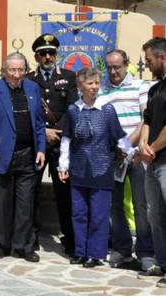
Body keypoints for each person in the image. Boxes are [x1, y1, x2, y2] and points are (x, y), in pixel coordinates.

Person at [0, 52, 46, 262]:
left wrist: (41, 148)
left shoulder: (33, 88)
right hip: (2, 154)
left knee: (25, 204)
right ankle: (1, 244)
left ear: (25, 70)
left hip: (27, 154)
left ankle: (23, 245)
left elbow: (39, 123)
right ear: (4, 70)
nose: (16, 74)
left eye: (21, 70)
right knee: (2, 203)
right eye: (12, 70)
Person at [58, 68, 132, 268]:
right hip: (79, 169)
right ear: (80, 86)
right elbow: (66, 138)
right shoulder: (73, 110)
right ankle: (80, 251)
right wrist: (63, 165)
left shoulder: (107, 110)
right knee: (79, 213)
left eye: (97, 83)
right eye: (90, 84)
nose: (94, 87)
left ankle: (95, 253)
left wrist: (131, 152)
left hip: (101, 168)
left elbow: (119, 136)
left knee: (99, 214)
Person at [99, 49, 155, 271]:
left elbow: (145, 118)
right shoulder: (101, 90)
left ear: (127, 64)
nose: (113, 72)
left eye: (117, 67)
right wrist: (116, 149)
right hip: (114, 157)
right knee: (114, 205)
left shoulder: (142, 86)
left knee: (142, 205)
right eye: (109, 68)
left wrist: (127, 144)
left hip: (137, 156)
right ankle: (122, 250)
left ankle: (145, 252)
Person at [27, 34, 77, 254]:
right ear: (36, 57)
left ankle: (69, 237)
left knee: (64, 192)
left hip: (60, 143)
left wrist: (57, 132)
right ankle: (31, 236)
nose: (48, 57)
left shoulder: (69, 76)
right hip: (37, 142)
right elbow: (26, 111)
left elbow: (73, 108)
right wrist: (43, 131)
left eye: (51, 53)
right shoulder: (28, 80)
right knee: (31, 191)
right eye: (43, 53)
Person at [138, 37, 166, 287]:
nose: (147, 66)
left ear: (162, 57)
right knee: (154, 215)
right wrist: (143, 145)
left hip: (163, 161)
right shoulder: (155, 89)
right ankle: (163, 262)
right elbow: (147, 120)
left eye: (149, 61)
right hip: (153, 162)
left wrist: (152, 149)